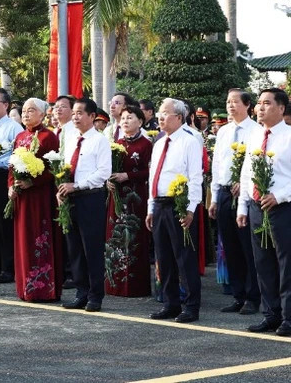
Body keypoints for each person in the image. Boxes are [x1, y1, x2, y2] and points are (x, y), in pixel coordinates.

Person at [237, 88, 291, 337]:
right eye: (259, 103)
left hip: (283, 208)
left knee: (286, 263)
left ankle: (290, 318)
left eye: (267, 103)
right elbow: (246, 172)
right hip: (257, 208)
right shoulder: (256, 136)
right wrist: (244, 206)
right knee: (263, 263)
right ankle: (271, 314)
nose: (261, 108)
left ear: (281, 108)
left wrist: (279, 196)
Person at [146, 98, 203, 323]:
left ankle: (191, 306)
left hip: (179, 204)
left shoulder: (189, 142)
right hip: (159, 204)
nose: (160, 117)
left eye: (166, 113)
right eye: (159, 113)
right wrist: (151, 207)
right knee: (164, 257)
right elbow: (154, 177)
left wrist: (190, 209)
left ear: (179, 117)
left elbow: (196, 178)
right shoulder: (159, 143)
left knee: (184, 257)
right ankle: (170, 303)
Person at [208, 89, 262, 316]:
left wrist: (246, 184)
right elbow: (217, 165)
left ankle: (253, 297)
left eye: (235, 102)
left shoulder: (257, 131)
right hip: (224, 192)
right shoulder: (223, 132)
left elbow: (259, 162)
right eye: (228, 101)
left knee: (247, 247)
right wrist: (213, 197)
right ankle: (238, 295)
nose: (230, 106)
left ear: (247, 104)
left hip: (245, 194)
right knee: (230, 247)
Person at [57, 98, 111, 312]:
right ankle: (81, 291)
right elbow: (63, 167)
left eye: (80, 113)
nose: (76, 117)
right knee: (74, 248)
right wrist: (60, 189)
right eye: (75, 113)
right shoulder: (69, 138)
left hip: (91, 198)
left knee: (92, 249)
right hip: (70, 198)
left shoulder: (99, 140)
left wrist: (77, 185)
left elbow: (103, 173)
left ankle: (96, 295)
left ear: (91, 116)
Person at [9, 98, 63, 301]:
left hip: (40, 197)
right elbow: (11, 166)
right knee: (23, 239)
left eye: (31, 110)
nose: (26, 114)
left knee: (40, 237)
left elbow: (54, 168)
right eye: (23, 110)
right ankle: (25, 287)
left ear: (42, 114)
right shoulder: (21, 136)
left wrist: (33, 183)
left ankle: (42, 288)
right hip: (21, 197)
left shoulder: (48, 137)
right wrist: (10, 186)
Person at [105, 105, 152, 297]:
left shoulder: (146, 144)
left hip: (136, 197)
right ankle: (114, 283)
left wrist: (129, 175)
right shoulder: (116, 143)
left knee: (134, 238)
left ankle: (135, 285)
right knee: (115, 235)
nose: (125, 121)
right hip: (117, 197)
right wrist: (108, 180)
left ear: (140, 121)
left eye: (130, 117)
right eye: (123, 118)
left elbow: (150, 171)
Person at [0, 88, 24, 283]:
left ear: (6, 105)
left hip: (3, 176)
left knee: (4, 224)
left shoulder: (14, 128)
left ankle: (8, 267)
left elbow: (18, 154)